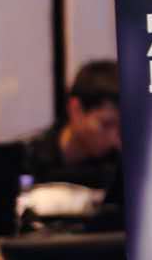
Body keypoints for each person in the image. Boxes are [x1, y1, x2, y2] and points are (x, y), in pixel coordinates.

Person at [21, 61, 122, 190]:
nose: (114, 139)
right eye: (106, 124)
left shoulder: (120, 168)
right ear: (76, 110)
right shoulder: (28, 160)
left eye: (121, 128)